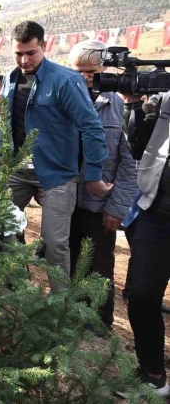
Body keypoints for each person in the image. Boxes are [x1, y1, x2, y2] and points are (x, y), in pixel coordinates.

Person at [1, 21, 110, 287]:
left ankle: (58, 307)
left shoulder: (66, 80)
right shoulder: (8, 80)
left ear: (44, 46)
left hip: (57, 174)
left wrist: (94, 174)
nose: (24, 60)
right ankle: (10, 296)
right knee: (2, 232)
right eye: (18, 54)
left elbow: (92, 128)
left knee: (54, 244)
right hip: (16, 171)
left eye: (30, 53)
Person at [66, 40, 138, 334]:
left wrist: (117, 207)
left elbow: (129, 163)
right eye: (78, 71)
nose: (85, 77)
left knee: (100, 262)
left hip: (102, 204)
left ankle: (99, 320)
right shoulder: (65, 101)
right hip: (69, 199)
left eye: (91, 71)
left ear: (104, 69)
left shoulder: (120, 105)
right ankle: (71, 314)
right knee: (70, 257)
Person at [115, 85, 170, 397]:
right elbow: (137, 147)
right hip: (156, 211)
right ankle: (152, 373)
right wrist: (134, 103)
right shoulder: (164, 102)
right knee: (140, 294)